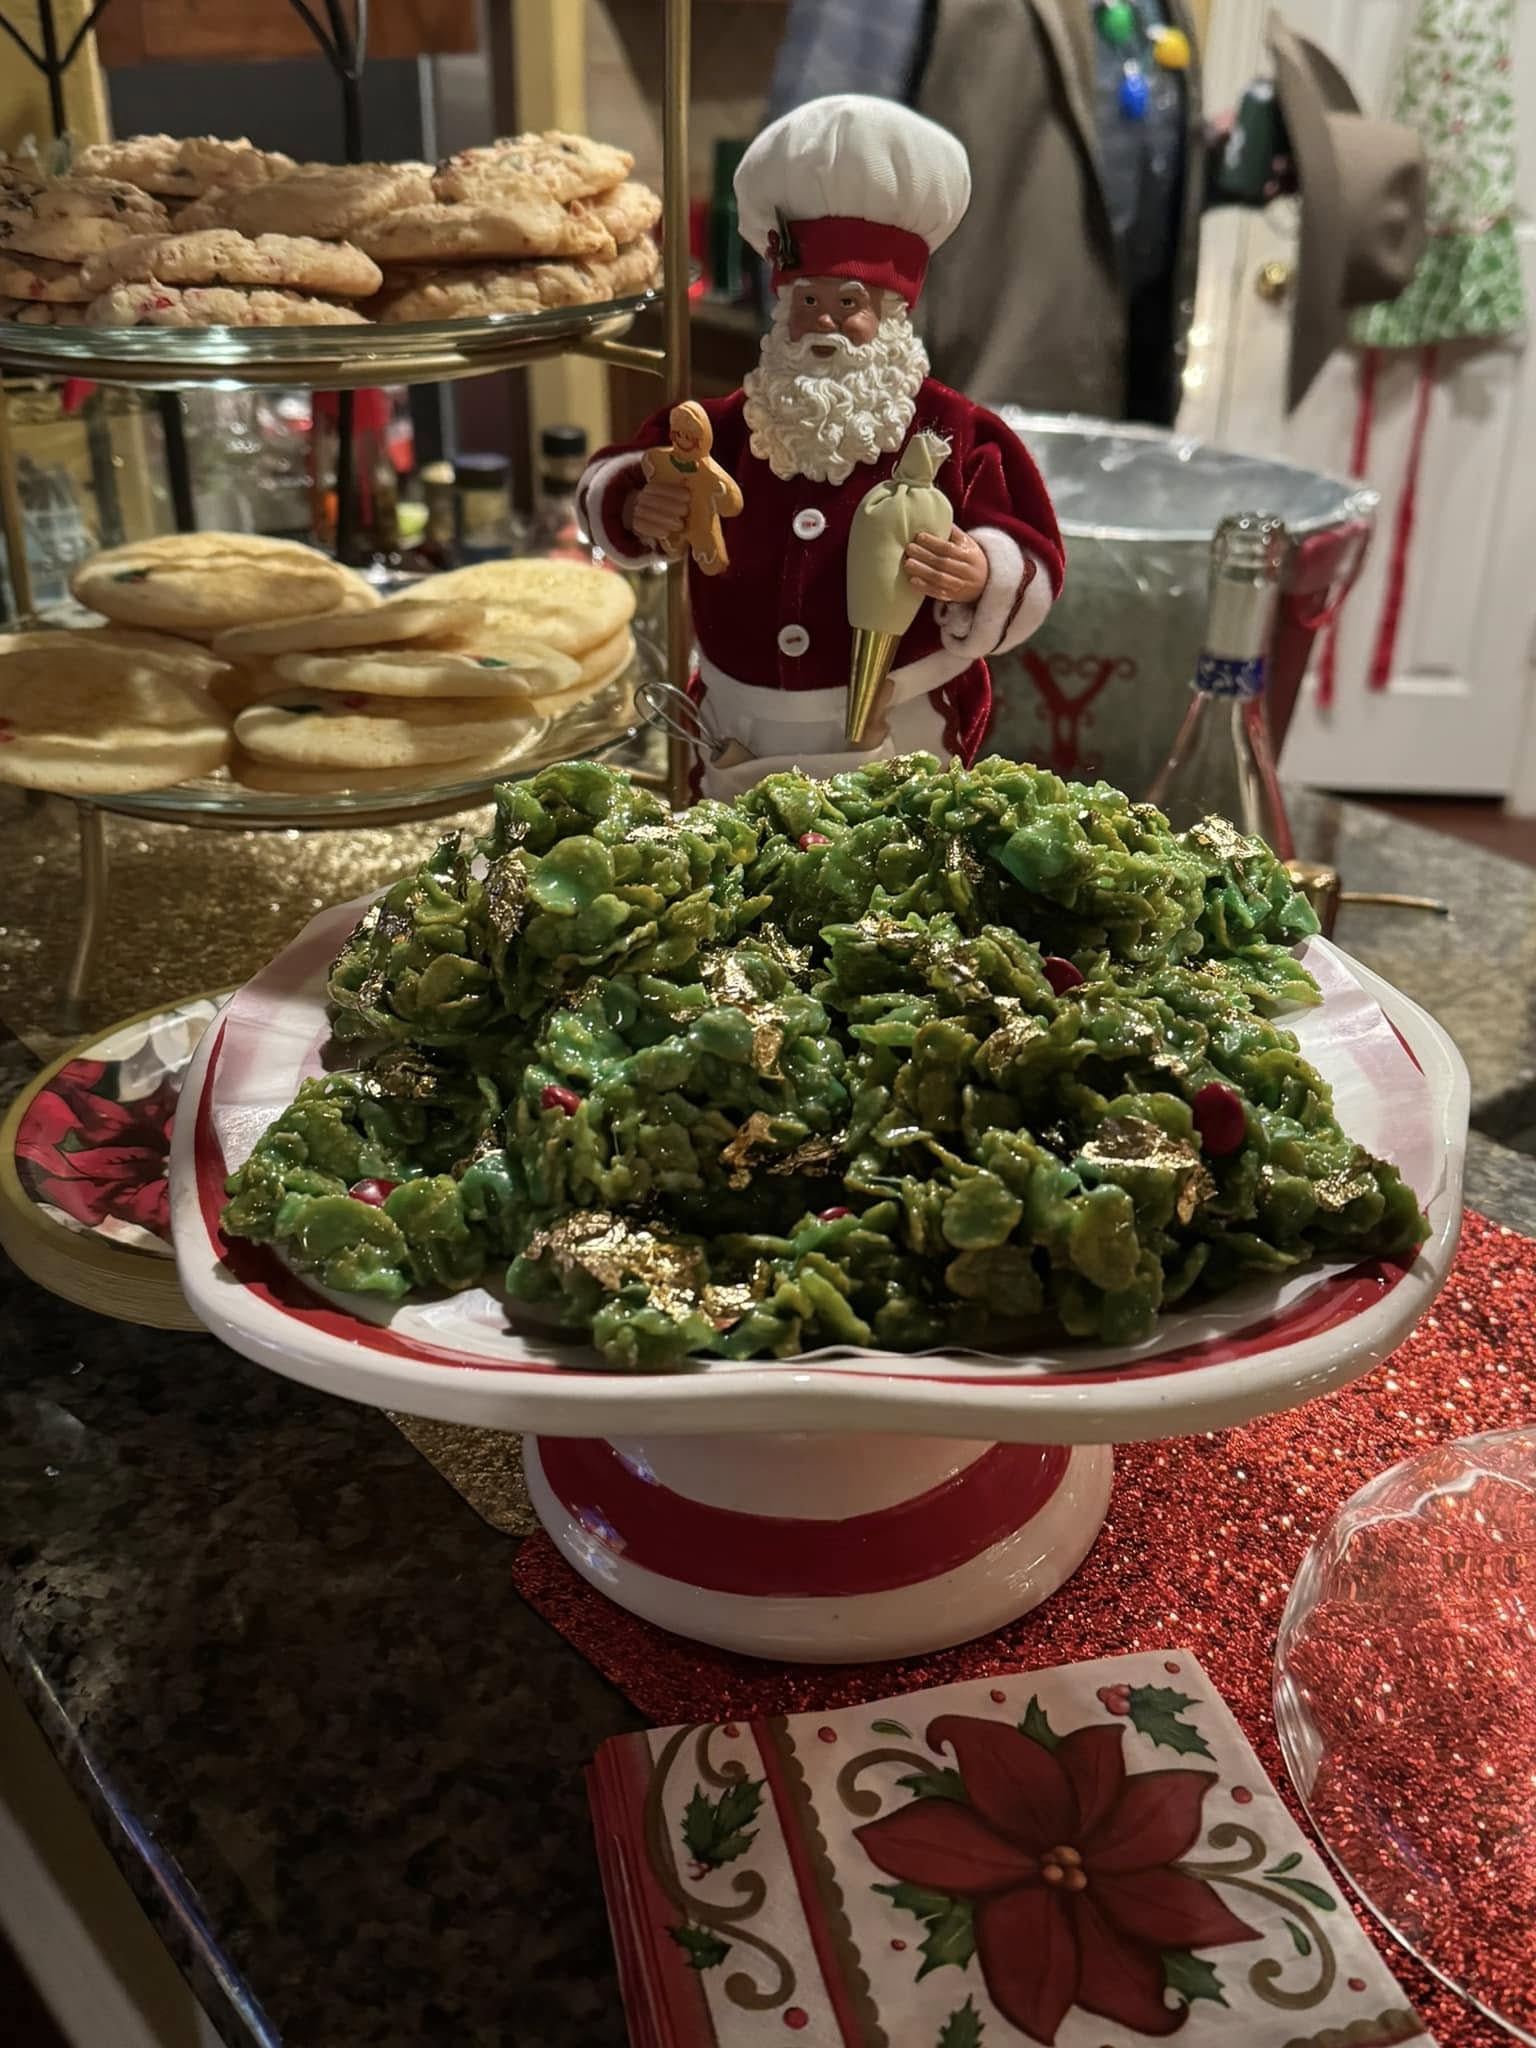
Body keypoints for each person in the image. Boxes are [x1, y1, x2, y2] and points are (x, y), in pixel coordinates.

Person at [577, 95, 1064, 800]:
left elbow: (1031, 546)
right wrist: (634, 506)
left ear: (892, 316)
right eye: (808, 302)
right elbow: (617, 477)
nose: (825, 322)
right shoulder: (724, 427)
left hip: (900, 728)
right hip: (739, 727)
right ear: (783, 312)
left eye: (849, 303)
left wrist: (981, 571)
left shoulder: (956, 431)